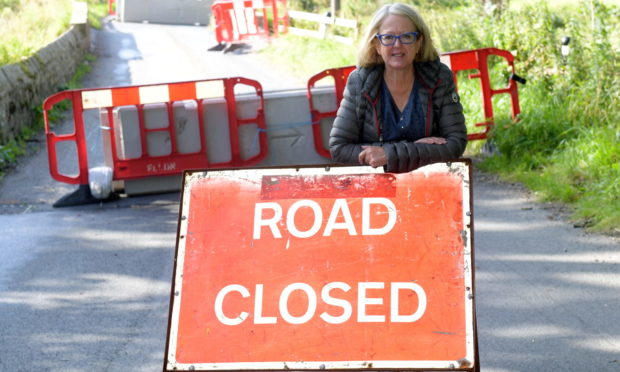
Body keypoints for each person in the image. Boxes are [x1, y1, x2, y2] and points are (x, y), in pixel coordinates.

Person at [329, 3, 467, 173]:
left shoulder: (439, 78)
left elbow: (455, 144)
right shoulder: (359, 82)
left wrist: (389, 154)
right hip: (377, 191)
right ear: (376, 45)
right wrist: (412, 149)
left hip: (431, 185)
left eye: (407, 37)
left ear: (419, 43)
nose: (397, 45)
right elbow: (339, 149)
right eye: (388, 38)